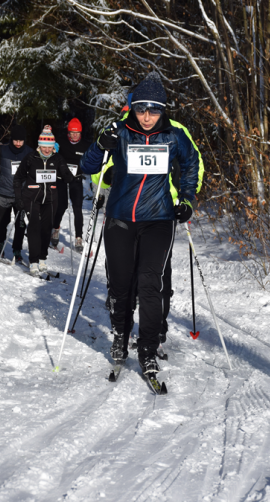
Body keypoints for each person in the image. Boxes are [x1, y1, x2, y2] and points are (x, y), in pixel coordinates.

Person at [78, 71, 202, 377]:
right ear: (133, 107)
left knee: (150, 284)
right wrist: (99, 144)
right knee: (120, 286)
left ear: (163, 109)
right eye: (142, 109)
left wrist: (186, 199)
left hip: (158, 219)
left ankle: (147, 349)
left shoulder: (174, 135)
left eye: (154, 110)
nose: (147, 116)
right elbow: (88, 166)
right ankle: (120, 337)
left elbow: (191, 165)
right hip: (120, 218)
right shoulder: (119, 132)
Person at [14, 125, 76, 276]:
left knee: (46, 229)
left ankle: (42, 257)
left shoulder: (57, 159)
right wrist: (18, 197)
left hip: (50, 199)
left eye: (49, 147)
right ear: (39, 145)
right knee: (34, 227)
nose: (47, 150)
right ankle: (33, 261)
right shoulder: (30, 158)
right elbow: (18, 178)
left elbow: (68, 177)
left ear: (53, 146)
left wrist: (67, 172)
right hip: (31, 197)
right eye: (44, 146)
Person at [0, 125, 32, 262]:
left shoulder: (29, 152)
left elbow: (34, 171)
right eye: (16, 140)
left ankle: (17, 249)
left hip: (21, 195)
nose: (18, 143)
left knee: (20, 224)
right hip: (3, 192)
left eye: (21, 141)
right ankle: (0, 244)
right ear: (12, 139)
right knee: (2, 222)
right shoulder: (3, 150)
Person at [52, 118, 90, 253]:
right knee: (61, 205)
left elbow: (90, 160)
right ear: (68, 133)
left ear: (80, 133)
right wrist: (53, 150)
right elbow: (52, 154)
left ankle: (78, 237)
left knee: (77, 208)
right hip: (61, 179)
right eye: (72, 133)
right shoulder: (61, 142)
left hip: (76, 180)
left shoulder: (85, 145)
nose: (75, 135)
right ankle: (55, 229)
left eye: (77, 133)